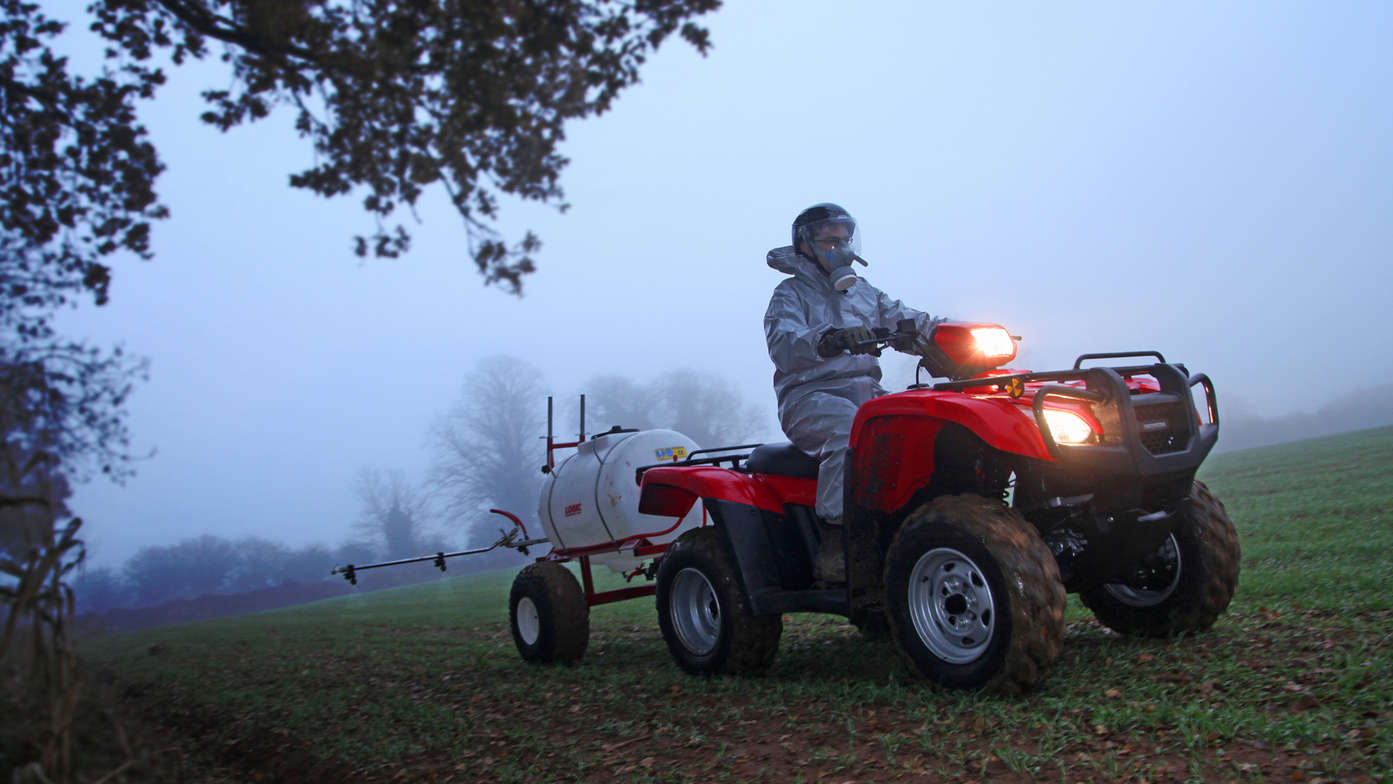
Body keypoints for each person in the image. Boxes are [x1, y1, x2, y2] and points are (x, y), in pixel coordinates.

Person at [763, 203, 944, 581]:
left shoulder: (864, 292)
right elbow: (784, 346)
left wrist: (951, 334)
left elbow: (908, 320)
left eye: (845, 240)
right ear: (806, 245)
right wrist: (829, 339)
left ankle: (923, 524)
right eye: (831, 241)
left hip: (866, 390)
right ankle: (836, 540)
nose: (841, 249)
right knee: (851, 432)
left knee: (924, 421)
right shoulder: (789, 295)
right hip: (809, 396)